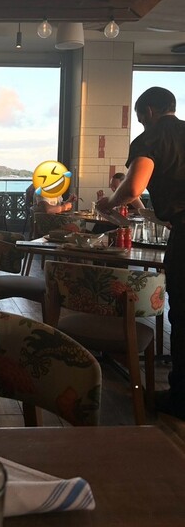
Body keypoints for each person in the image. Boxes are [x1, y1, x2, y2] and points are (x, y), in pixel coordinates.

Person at [96, 86, 185, 421]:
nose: (141, 123)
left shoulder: (152, 138)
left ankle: (180, 398)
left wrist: (108, 203)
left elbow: (134, 187)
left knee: (183, 317)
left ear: (148, 111)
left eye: (139, 118)